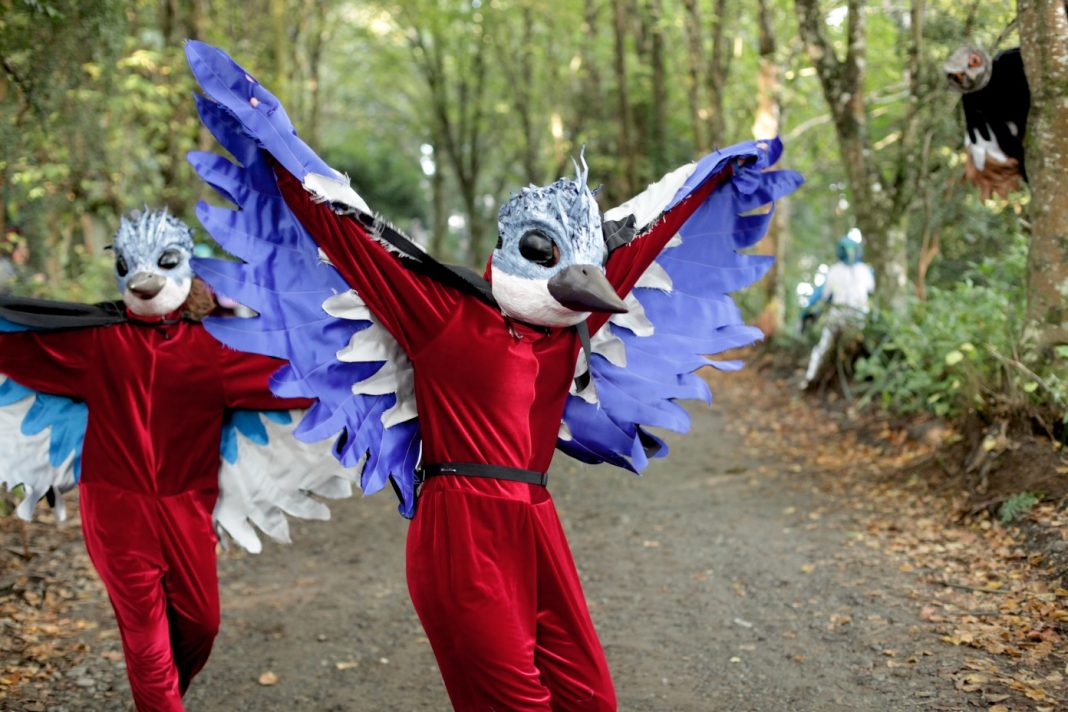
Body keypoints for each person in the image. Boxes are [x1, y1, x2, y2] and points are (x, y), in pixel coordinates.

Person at [186, 41, 802, 711]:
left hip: (536, 520)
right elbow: (345, 233)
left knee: (589, 699)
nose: (583, 276)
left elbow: (651, 230)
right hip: (461, 527)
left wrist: (717, 173)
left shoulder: (571, 326)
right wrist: (270, 141)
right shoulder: (445, 316)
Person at [0, 210, 316, 711]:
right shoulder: (95, 343)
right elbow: (19, 348)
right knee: (145, 637)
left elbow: (287, 376)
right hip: (114, 505)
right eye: (130, 265)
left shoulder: (214, 349)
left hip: (187, 506)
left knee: (201, 624)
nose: (144, 278)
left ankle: (161, 697)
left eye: (162, 262)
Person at [800, 230, 875, 390]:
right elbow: (870, 292)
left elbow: (824, 297)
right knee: (825, 346)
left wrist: (810, 314)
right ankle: (811, 380)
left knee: (823, 347)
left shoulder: (838, 271)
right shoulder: (865, 271)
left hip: (846, 317)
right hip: (855, 318)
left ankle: (810, 379)